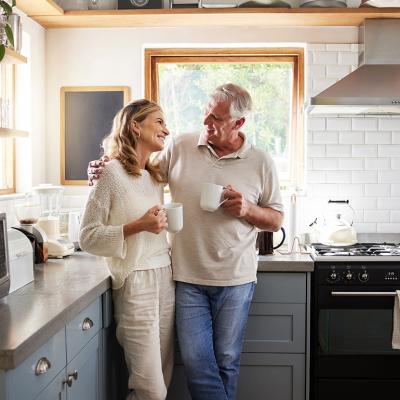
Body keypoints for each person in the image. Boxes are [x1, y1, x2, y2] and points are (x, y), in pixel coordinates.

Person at [89, 83, 284, 400]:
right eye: (206, 113)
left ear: (239, 123)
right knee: (195, 361)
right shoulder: (180, 146)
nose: (206, 123)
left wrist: (247, 209)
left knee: (227, 362)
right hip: (185, 276)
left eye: (216, 118)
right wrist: (105, 166)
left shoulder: (261, 161)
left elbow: (276, 219)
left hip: (237, 278)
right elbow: (141, 173)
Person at [80, 99, 175, 400]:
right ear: (135, 125)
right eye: (159, 121)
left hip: (165, 277)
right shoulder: (110, 173)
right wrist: (139, 225)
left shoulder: (154, 177)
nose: (167, 129)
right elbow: (88, 236)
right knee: (150, 390)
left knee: (164, 375)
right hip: (135, 282)